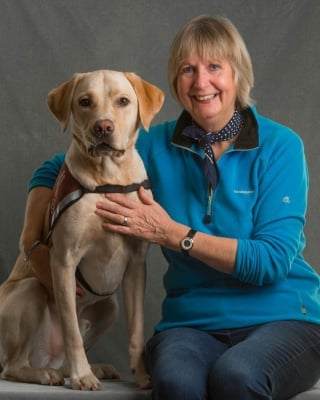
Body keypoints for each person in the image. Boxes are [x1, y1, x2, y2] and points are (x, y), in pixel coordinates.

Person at [20, 15, 320, 400]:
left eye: (215, 67)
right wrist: (32, 238)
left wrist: (174, 235)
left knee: (237, 376)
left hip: (285, 317)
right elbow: (57, 167)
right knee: (177, 385)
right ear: (175, 82)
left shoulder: (280, 146)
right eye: (187, 70)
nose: (201, 82)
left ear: (238, 75)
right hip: (192, 323)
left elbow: (272, 260)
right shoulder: (152, 144)